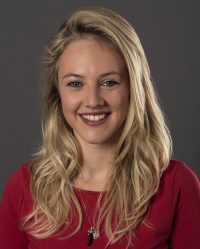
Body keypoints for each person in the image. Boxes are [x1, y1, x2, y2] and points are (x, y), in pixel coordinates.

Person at [0, 7, 200, 249]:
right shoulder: (23, 188)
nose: (93, 100)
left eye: (109, 82)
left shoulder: (177, 185)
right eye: (75, 83)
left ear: (134, 90)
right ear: (57, 94)